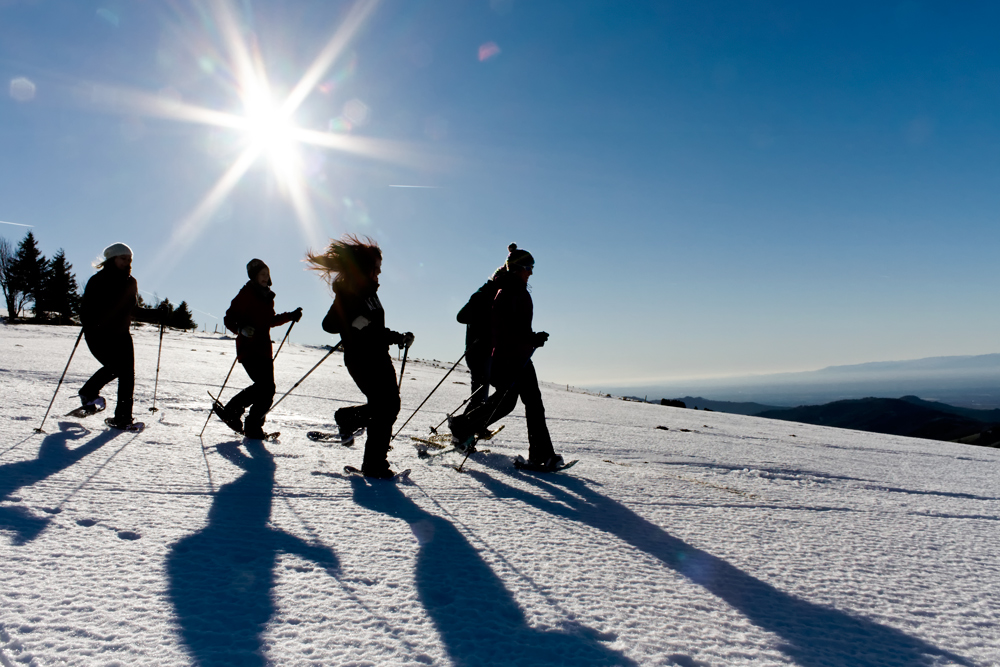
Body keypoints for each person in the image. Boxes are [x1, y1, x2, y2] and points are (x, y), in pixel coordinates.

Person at [306, 235, 413, 479]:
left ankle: (348, 420)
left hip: (378, 356)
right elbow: (329, 324)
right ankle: (374, 464)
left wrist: (398, 337)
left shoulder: (370, 293)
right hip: (361, 359)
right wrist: (353, 322)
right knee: (385, 407)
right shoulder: (350, 292)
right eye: (376, 268)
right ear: (365, 268)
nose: (379, 273)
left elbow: (374, 329)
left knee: (387, 406)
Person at [448, 247, 564, 471]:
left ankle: (463, 425)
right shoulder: (507, 292)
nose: (531, 273)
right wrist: (532, 338)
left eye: (532, 268)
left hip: (517, 354)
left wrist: (531, 338)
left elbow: (515, 328)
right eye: (529, 268)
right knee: (517, 402)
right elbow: (506, 329)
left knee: (516, 402)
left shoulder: (517, 290)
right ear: (518, 269)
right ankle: (540, 455)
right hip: (508, 357)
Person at [216, 259, 302, 439]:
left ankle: (253, 427)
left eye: (267, 274)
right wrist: (241, 329)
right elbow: (228, 319)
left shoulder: (267, 297)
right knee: (264, 386)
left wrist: (290, 316)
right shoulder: (246, 294)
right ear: (254, 276)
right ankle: (232, 410)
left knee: (268, 390)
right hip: (249, 349)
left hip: (264, 349)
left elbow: (270, 321)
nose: (266, 277)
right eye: (262, 274)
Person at [78, 242, 139, 430]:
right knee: (115, 367)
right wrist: (96, 323)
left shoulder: (130, 282)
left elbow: (133, 310)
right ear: (112, 259)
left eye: (129, 260)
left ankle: (123, 418)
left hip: (122, 335)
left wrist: (158, 314)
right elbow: (85, 311)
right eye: (123, 259)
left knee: (127, 375)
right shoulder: (98, 281)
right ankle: (88, 392)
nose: (127, 263)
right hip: (99, 334)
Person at [455, 243, 517, 415]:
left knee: (483, 393)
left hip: (488, 351)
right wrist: (483, 322)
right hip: (477, 350)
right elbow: (461, 316)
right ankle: (463, 427)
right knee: (480, 394)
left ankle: (470, 425)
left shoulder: (497, 296)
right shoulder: (483, 294)